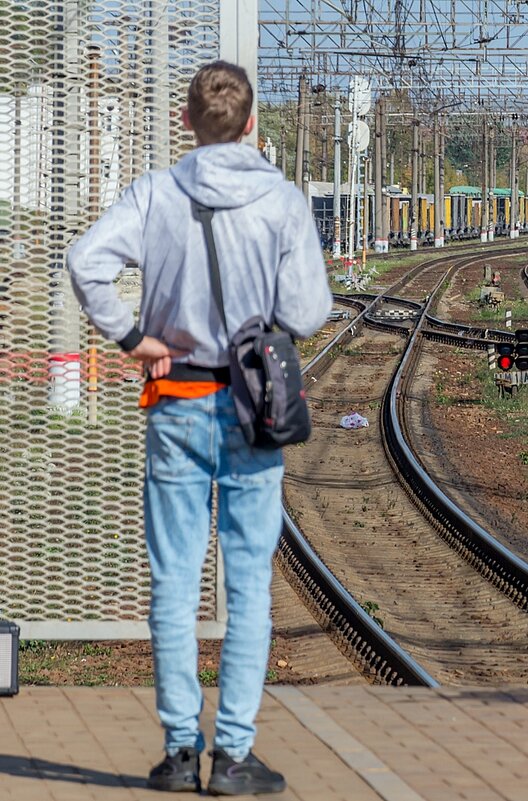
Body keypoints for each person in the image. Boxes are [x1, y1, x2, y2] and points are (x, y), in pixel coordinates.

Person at [68, 61, 331, 795]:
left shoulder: (154, 194)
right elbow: (309, 312)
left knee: (174, 580)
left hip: (176, 403)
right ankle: (235, 757)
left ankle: (180, 748)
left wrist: (131, 337)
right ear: (251, 125)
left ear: (187, 122)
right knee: (249, 584)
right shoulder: (282, 202)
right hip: (253, 411)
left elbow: (84, 260)